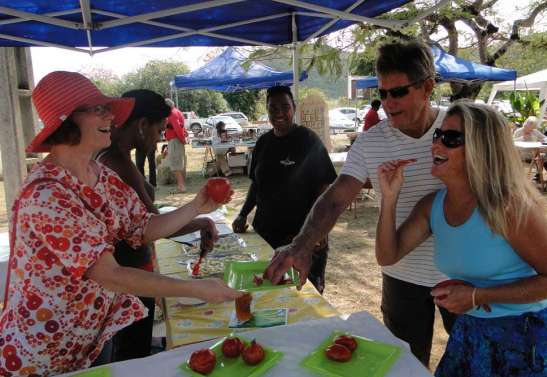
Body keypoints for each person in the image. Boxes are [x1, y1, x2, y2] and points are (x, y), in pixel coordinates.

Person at [0, 71, 242, 376]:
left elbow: (142, 228)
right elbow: (109, 274)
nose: (110, 115)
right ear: (66, 121)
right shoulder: (45, 194)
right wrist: (196, 289)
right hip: (41, 351)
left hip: (88, 339)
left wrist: (197, 205)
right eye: (97, 109)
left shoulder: (100, 176)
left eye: (107, 108)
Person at [264, 41, 456, 366]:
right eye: (382, 94)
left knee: (475, 360)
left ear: (427, 87)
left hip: (462, 272)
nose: (388, 104)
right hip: (401, 274)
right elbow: (336, 199)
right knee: (407, 364)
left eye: (399, 93)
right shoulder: (371, 141)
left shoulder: (459, 129)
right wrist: (301, 246)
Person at [376, 101, 547, 376]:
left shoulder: (509, 206)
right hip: (472, 331)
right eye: (438, 136)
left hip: (525, 336)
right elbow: (387, 255)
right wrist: (389, 198)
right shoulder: (433, 206)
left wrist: (478, 295)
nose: (437, 144)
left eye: (451, 138)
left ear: (482, 149)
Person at [96, 89, 219, 361]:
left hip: (128, 271)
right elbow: (150, 225)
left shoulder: (115, 157)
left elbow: (144, 222)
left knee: (129, 350)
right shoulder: (117, 164)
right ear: (142, 125)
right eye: (160, 130)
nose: (161, 137)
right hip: (129, 275)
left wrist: (198, 218)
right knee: (132, 355)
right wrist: (198, 218)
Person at [232, 85, 337, 293]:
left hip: (301, 239)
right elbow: (256, 185)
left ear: (294, 108)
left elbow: (325, 190)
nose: (279, 113)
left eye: (285, 107)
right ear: (267, 111)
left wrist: (314, 232)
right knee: (266, 293)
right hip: (266, 236)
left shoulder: (309, 141)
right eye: (273, 108)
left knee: (305, 297)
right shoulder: (263, 143)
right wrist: (243, 214)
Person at [164, 98, 187, 193]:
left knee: (176, 163)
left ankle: (181, 186)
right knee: (178, 163)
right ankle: (180, 185)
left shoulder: (172, 114)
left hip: (174, 141)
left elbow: (177, 127)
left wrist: (182, 138)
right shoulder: (177, 112)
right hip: (176, 140)